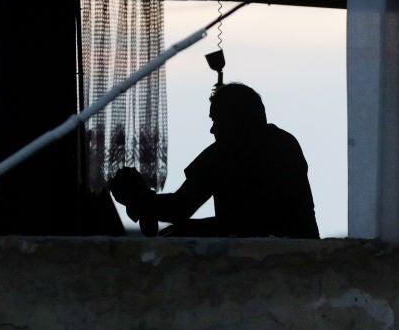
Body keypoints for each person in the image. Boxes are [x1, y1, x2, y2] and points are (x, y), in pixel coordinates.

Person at [109, 83, 319, 239]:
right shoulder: (285, 144)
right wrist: (144, 201)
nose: (212, 129)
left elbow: (180, 208)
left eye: (216, 120)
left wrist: (141, 200)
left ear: (235, 121)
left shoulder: (225, 154)